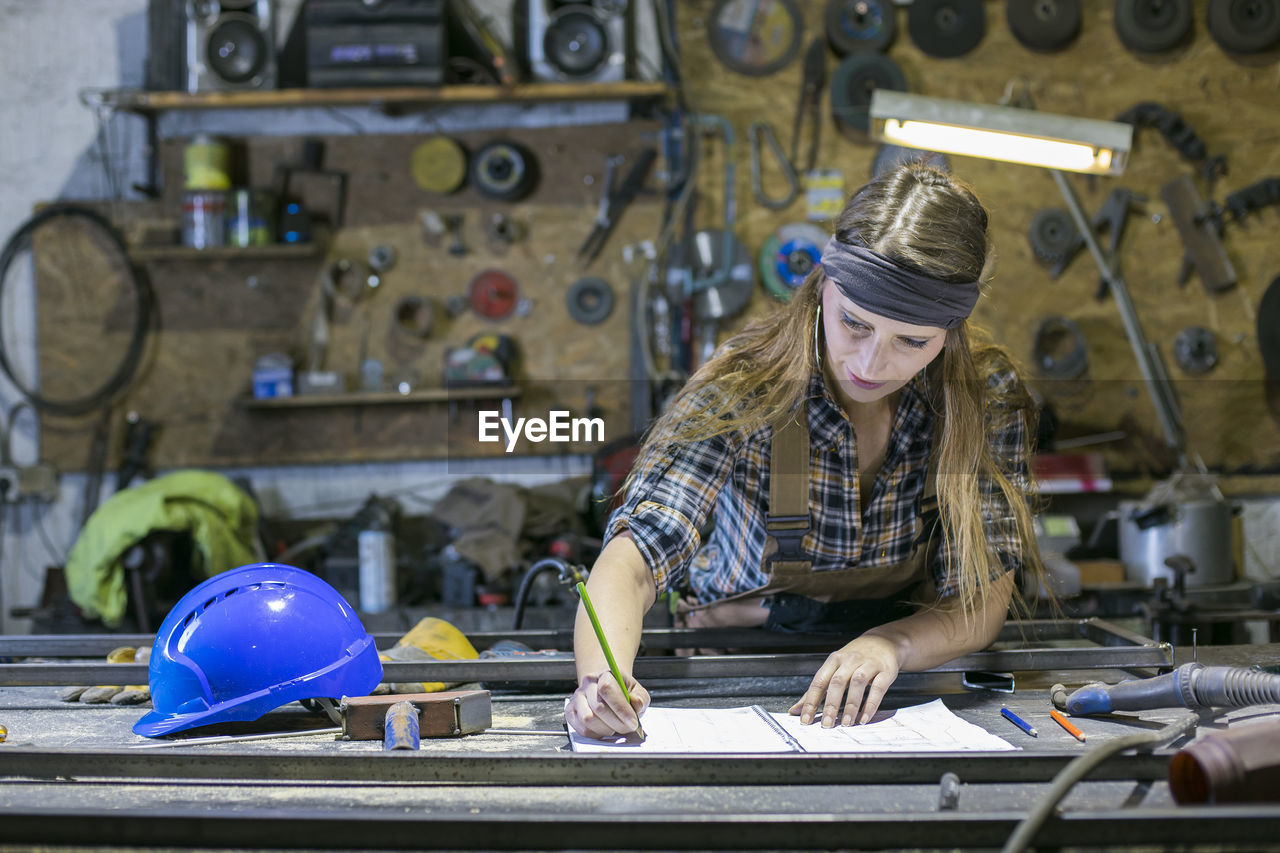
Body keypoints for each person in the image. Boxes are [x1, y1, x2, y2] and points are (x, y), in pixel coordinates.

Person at [565, 162, 1044, 739]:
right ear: (823, 285)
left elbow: (982, 596)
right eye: (855, 324)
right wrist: (602, 679)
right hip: (733, 679)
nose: (870, 364)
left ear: (951, 330)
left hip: (897, 688)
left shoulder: (983, 398)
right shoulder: (744, 385)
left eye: (911, 341)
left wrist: (889, 644)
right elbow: (634, 558)